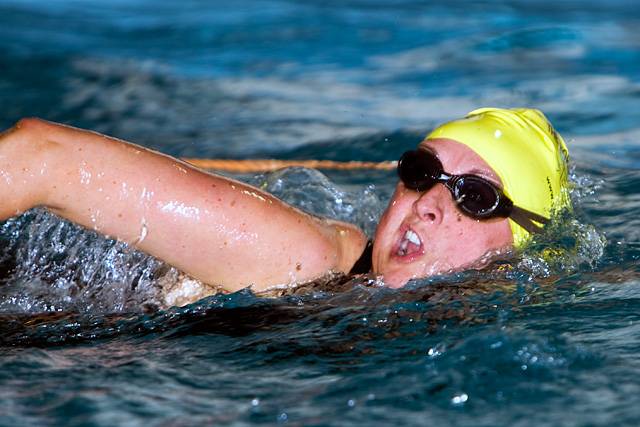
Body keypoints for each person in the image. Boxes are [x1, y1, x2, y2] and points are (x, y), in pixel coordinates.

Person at [0, 107, 570, 302]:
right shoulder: (302, 257)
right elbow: (40, 156)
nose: (429, 203)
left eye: (476, 195)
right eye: (422, 172)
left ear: (520, 245)